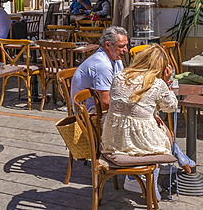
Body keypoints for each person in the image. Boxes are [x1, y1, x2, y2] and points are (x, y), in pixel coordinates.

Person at [100, 44, 195, 179]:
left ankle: (179, 159)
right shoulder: (157, 84)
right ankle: (175, 162)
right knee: (163, 128)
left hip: (114, 138)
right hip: (138, 143)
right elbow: (171, 107)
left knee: (157, 123)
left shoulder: (119, 76)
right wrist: (168, 84)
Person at [71, 25, 128, 112]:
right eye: (121, 46)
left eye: (126, 46)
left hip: (103, 106)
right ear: (107, 45)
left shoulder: (116, 58)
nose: (126, 50)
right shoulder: (102, 65)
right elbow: (105, 104)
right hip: (89, 113)